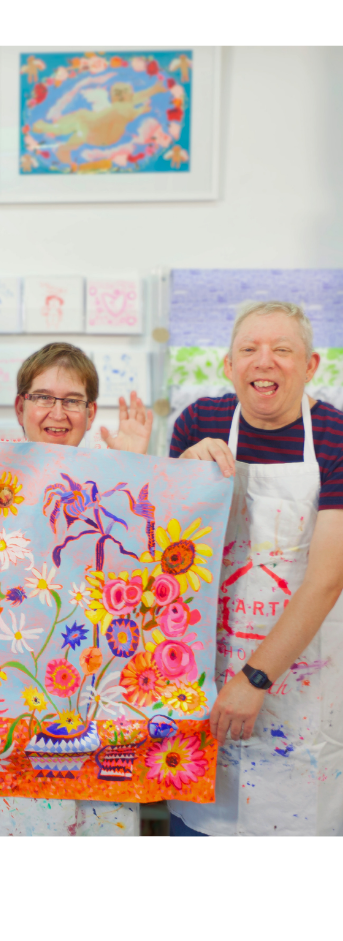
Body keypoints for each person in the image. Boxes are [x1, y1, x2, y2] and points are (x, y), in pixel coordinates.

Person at [0, 342, 154, 836]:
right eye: (43, 397)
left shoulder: (116, 476)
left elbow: (150, 571)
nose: (57, 412)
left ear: (91, 413)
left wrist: (137, 469)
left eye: (72, 400)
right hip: (9, 701)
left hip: (99, 700)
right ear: (21, 406)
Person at [166, 300, 343, 836]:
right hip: (205, 676)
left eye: (282, 349)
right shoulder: (200, 423)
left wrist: (255, 677)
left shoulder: (335, 437)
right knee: (202, 832)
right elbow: (165, 555)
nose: (264, 361)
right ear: (229, 364)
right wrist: (182, 473)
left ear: (310, 365)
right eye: (249, 349)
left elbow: (328, 578)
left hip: (301, 678)